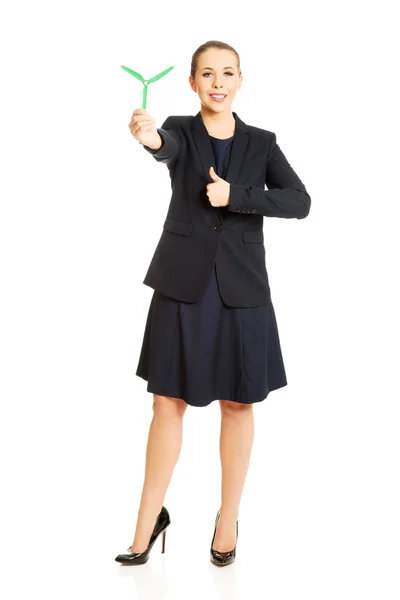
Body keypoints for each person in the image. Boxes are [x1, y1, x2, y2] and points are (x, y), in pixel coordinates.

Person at [115, 40, 311, 567]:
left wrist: (239, 195)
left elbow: (299, 201)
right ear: (193, 82)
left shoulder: (262, 142)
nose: (217, 83)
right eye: (207, 74)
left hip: (242, 290)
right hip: (183, 283)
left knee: (239, 403)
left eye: (227, 73)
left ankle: (228, 519)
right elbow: (165, 147)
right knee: (166, 404)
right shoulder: (179, 127)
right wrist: (149, 136)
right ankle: (145, 524)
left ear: (240, 80)